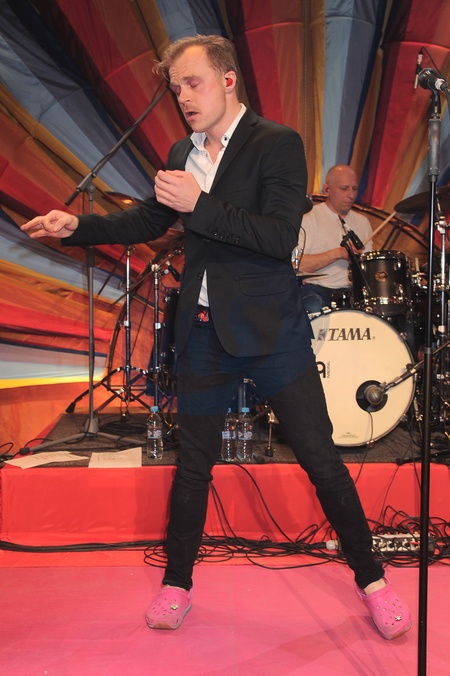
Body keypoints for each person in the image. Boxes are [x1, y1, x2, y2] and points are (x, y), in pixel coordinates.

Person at [21, 35, 411, 640]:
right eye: (175, 87)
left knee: (322, 461)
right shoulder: (183, 150)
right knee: (193, 467)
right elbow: (151, 218)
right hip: (204, 332)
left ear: (228, 80)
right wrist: (77, 226)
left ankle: (375, 583)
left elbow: (279, 237)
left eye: (193, 83)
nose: (182, 97)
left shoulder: (277, 142)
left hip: (273, 331)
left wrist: (199, 203)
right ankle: (177, 584)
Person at [296, 165, 373, 315]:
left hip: (353, 292)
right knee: (312, 306)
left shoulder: (363, 222)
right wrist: (339, 253)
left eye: (354, 189)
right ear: (327, 189)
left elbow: (369, 270)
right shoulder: (309, 217)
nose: (351, 195)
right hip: (316, 289)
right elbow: (298, 264)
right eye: (344, 189)